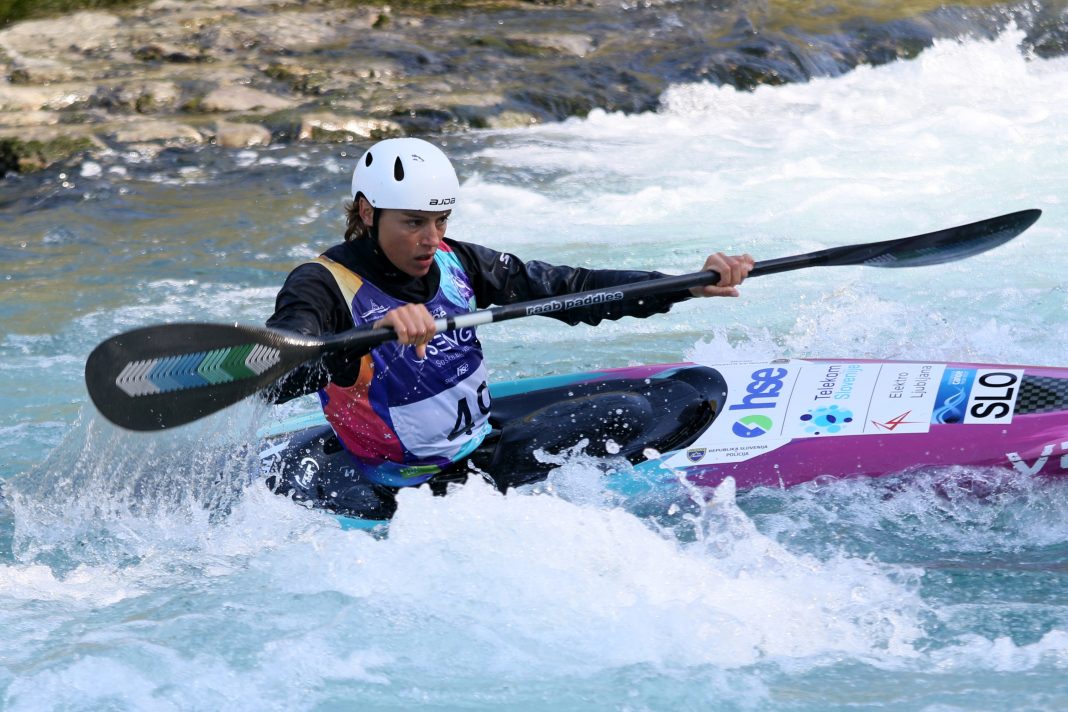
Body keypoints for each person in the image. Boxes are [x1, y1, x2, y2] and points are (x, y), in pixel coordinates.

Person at [266, 137, 753, 505]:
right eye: (414, 222)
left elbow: (569, 289)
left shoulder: (457, 261)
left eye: (441, 221)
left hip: (476, 438)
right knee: (630, 412)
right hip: (411, 478)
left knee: (688, 388)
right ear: (369, 212)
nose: (431, 239)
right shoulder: (322, 284)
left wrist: (683, 285)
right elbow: (275, 376)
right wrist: (364, 339)